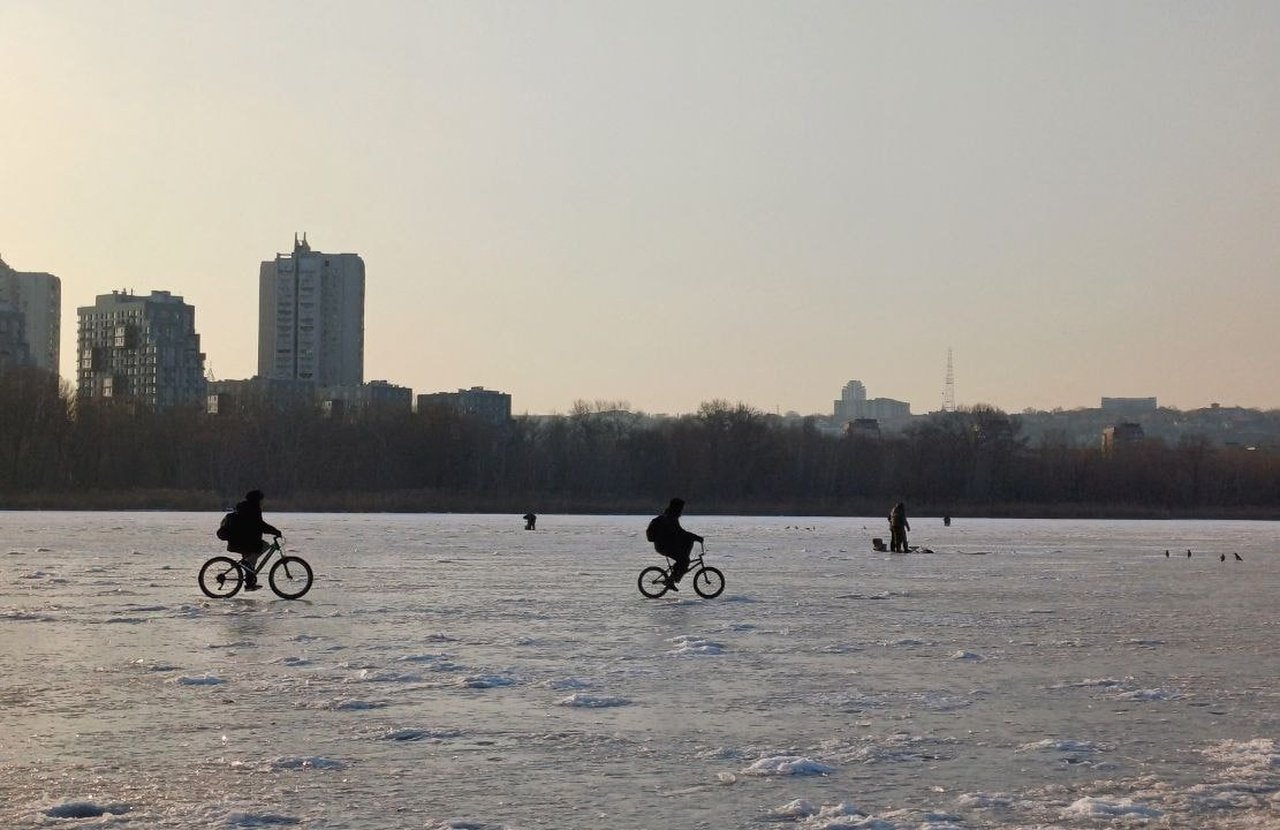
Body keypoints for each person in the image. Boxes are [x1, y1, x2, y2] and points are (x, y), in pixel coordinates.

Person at [224, 489, 282, 591]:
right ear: (257, 499)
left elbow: (257, 525)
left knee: (252, 557)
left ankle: (249, 582)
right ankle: (247, 569)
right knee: (262, 548)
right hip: (243, 542)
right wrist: (276, 532)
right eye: (261, 499)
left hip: (239, 541)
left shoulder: (245, 507)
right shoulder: (253, 508)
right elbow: (260, 525)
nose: (262, 501)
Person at [645, 498, 704, 591]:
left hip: (667, 545)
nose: (681, 511)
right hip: (664, 546)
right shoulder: (670, 518)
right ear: (677, 508)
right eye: (681, 508)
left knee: (684, 559)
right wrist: (696, 537)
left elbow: (680, 532)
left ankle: (673, 577)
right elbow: (680, 532)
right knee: (684, 561)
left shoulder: (671, 516)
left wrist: (693, 537)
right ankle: (671, 580)